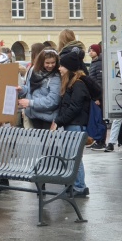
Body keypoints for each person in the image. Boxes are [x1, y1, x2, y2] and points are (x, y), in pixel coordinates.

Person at [52, 50, 90, 196]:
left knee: (75, 157)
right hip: (71, 124)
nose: (59, 68)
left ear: (69, 68)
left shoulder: (78, 84)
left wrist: (59, 120)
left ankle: (80, 187)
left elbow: (74, 107)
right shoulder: (71, 83)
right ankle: (75, 185)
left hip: (76, 125)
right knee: (71, 156)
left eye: (62, 66)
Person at [17, 48, 60, 130]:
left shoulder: (56, 77)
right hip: (33, 116)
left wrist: (30, 103)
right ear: (41, 62)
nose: (50, 65)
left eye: (53, 63)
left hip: (47, 118)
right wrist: (21, 90)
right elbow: (29, 89)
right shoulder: (34, 71)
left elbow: (53, 101)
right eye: (47, 63)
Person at [86, 43, 107, 150]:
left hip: (98, 96)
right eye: (89, 50)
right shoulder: (94, 62)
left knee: (99, 119)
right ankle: (98, 140)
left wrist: (97, 97)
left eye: (93, 50)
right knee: (97, 118)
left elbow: (99, 81)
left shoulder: (98, 63)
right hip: (95, 95)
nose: (90, 52)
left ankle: (101, 141)